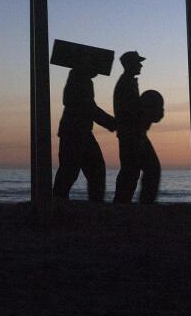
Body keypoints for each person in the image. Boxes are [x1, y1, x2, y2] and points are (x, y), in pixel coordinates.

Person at [51, 63, 116, 202]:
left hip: (78, 131)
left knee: (76, 170)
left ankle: (60, 201)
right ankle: (59, 202)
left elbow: (88, 106)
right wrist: (112, 123)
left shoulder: (81, 78)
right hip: (75, 132)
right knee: (77, 170)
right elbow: (89, 107)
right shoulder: (79, 78)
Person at [112, 51, 161, 204]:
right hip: (132, 135)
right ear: (129, 64)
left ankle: (126, 204)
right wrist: (149, 113)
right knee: (138, 170)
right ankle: (131, 205)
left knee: (134, 171)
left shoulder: (128, 82)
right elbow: (129, 111)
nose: (140, 65)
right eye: (137, 62)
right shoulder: (126, 84)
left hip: (135, 133)